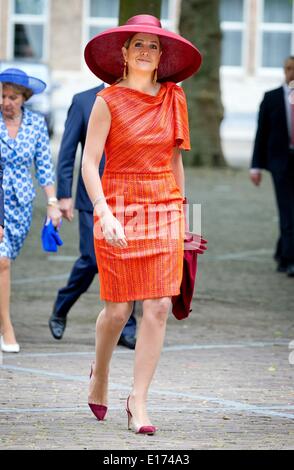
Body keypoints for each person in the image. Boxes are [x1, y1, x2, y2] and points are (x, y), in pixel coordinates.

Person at [82, 14, 202, 434]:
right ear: (123, 53)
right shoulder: (107, 100)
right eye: (138, 45)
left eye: (153, 46)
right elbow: (89, 163)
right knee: (118, 309)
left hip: (163, 205)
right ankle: (99, 376)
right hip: (116, 205)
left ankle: (139, 400)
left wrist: (185, 219)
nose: (146, 52)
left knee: (158, 307)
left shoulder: (175, 98)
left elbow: (174, 161)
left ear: (161, 55)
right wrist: (104, 211)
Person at [48, 85, 137, 349]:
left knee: (127, 261)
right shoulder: (84, 100)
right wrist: (64, 194)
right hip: (91, 198)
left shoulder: (137, 98)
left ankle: (127, 325)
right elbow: (67, 152)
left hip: (128, 198)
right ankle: (62, 306)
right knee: (91, 259)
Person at [0, 68, 62, 353]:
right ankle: (7, 327)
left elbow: (44, 167)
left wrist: (52, 204)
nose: (6, 102)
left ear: (24, 97)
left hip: (22, 202)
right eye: (2, 96)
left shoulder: (36, 125)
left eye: (12, 96)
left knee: (6, 259)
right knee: (2, 261)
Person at [250, 56, 294, 278]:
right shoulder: (272, 98)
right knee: (287, 211)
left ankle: (283, 252)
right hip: (281, 162)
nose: (291, 73)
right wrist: (255, 166)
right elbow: (261, 134)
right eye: (288, 69)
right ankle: (289, 260)